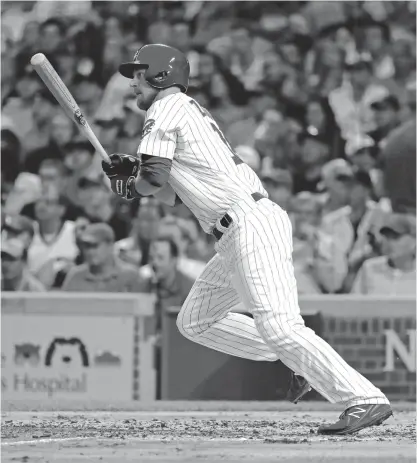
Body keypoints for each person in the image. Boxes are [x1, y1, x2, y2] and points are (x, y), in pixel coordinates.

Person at [102, 43, 392, 434]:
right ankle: (297, 359)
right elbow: (170, 190)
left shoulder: (166, 106)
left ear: (159, 75)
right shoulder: (180, 110)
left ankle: (363, 397)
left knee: (280, 325)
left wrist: (131, 186)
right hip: (233, 230)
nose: (133, 84)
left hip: (248, 222)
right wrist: (131, 169)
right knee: (195, 321)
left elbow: (151, 182)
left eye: (138, 75)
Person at [61, 222, 145, 292]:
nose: (90, 252)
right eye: (86, 246)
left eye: (94, 246)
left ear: (110, 246)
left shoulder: (130, 276)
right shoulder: (75, 275)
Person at [352, 214, 416, 296]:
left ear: (414, 240)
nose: (389, 242)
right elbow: (353, 305)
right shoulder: (369, 269)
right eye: (387, 236)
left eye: (395, 237)